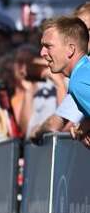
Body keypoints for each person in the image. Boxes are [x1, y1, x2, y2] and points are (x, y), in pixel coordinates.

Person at [39, 16, 90, 147]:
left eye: (48, 46)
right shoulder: (84, 71)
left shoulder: (78, 82)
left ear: (70, 49)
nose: (42, 53)